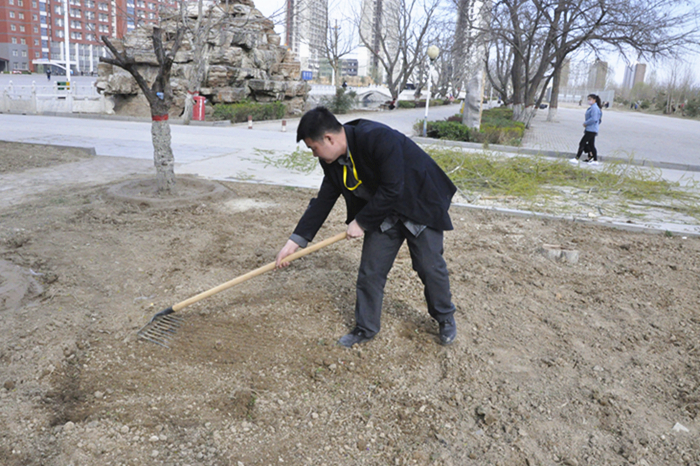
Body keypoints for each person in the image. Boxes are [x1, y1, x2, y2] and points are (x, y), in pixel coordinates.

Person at [275, 107, 458, 347]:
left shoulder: (376, 137)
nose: (313, 154)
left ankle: (444, 318)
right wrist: (296, 240)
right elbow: (324, 200)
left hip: (418, 202)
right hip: (383, 212)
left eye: (313, 148)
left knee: (429, 266)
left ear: (328, 138)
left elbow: (394, 187)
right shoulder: (331, 161)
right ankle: (365, 327)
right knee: (370, 272)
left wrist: (361, 222)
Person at [570, 94, 602, 165]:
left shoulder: (595, 108)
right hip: (591, 129)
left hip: (591, 129)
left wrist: (586, 123)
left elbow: (594, 119)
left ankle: (577, 158)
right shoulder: (593, 107)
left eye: (590, 99)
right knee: (591, 145)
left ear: (594, 100)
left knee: (582, 143)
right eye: (588, 99)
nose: (589, 101)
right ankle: (594, 159)